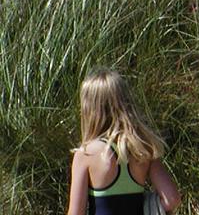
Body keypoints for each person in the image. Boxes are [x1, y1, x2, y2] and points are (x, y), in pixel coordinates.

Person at [66, 69, 180, 215]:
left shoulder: (86, 154)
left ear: (90, 109)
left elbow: (76, 213)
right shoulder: (142, 149)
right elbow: (172, 199)